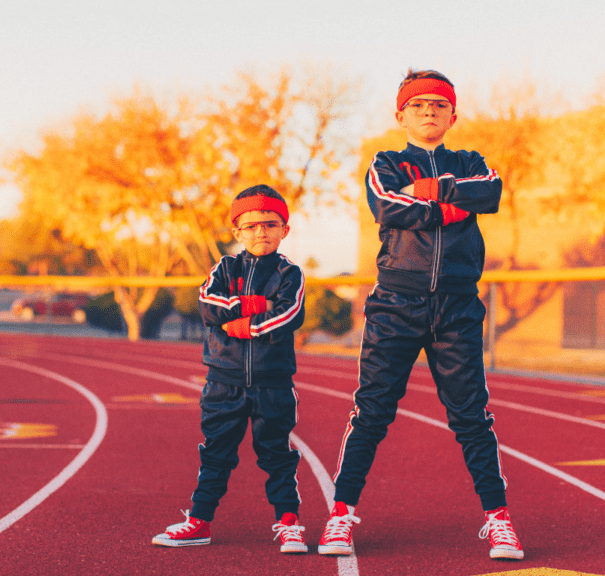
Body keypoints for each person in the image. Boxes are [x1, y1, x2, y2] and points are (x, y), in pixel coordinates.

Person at [317, 69, 524, 560]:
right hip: (395, 303)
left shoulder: (472, 161)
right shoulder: (385, 163)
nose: (428, 111)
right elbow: (389, 208)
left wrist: (430, 190)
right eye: (418, 105)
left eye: (438, 104)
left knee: (472, 417)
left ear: (454, 114)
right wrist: (452, 205)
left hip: (456, 304)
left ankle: (499, 521)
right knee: (370, 413)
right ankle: (340, 516)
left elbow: (490, 193)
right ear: (400, 114)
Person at [152, 185, 308, 554]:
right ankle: (199, 522)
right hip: (223, 381)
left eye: (270, 225)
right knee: (216, 454)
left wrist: (245, 324)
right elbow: (208, 306)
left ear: (285, 229)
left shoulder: (291, 274)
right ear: (237, 232)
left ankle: (289, 524)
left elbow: (287, 315)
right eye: (251, 226)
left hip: (273, 383)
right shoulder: (225, 267)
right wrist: (255, 304)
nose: (260, 233)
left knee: (277, 456)